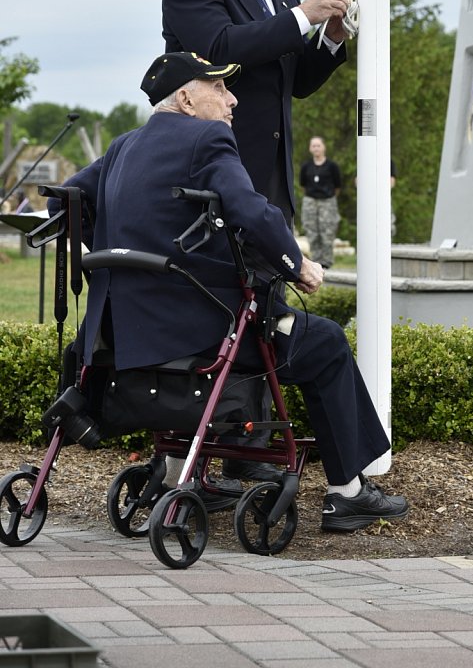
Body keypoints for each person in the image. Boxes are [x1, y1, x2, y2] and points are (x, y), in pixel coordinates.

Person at [51, 52, 408, 534]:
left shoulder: (122, 148)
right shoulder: (207, 137)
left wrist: (116, 248)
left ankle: (182, 470)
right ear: (185, 97)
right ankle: (348, 492)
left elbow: (65, 200)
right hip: (204, 337)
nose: (232, 99)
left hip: (127, 340)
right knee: (324, 342)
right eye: (218, 88)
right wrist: (296, 264)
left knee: (287, 332)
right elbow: (254, 213)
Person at [162, 0, 350, 227]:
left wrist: (331, 36)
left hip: (273, 185)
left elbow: (296, 83)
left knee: (270, 281)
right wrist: (301, 17)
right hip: (214, 173)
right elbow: (220, 48)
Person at [299, 136, 341, 268]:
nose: (316, 148)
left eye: (318, 145)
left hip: (327, 201)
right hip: (310, 201)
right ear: (310, 148)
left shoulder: (332, 166)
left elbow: (337, 185)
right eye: (313, 146)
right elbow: (303, 184)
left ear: (324, 147)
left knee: (327, 231)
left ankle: (327, 261)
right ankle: (316, 260)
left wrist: (329, 197)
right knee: (312, 231)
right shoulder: (306, 166)